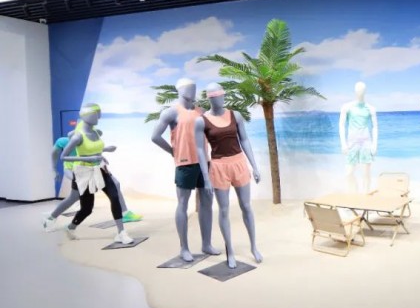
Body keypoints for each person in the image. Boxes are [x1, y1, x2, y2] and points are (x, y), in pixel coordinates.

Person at [151, 78, 218, 262]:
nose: (192, 91)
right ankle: (184, 248)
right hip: (184, 163)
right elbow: (155, 136)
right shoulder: (171, 112)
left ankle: (206, 244)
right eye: (188, 88)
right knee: (183, 204)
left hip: (204, 163)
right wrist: (172, 151)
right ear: (179, 90)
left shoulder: (201, 112)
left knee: (207, 203)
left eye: (194, 88)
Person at [195, 83, 262, 269]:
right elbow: (200, 149)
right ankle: (230, 251)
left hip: (239, 163)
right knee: (223, 210)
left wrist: (254, 166)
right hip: (218, 167)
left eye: (221, 95)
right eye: (215, 96)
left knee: (246, 206)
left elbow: (244, 139)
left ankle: (254, 247)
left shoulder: (235, 115)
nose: (220, 99)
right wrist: (206, 177)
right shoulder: (201, 121)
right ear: (210, 98)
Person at [59, 103, 132, 244]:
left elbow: (93, 148)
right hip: (84, 172)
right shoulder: (77, 137)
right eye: (96, 114)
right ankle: (71, 227)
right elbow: (64, 156)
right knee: (87, 208)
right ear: (87, 116)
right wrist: (89, 159)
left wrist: (104, 151)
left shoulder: (96, 132)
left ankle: (121, 232)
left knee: (114, 196)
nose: (99, 117)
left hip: (100, 169)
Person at [43, 133, 142, 232]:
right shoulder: (63, 142)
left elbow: (91, 151)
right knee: (74, 197)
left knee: (115, 184)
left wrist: (102, 155)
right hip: (75, 169)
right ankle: (52, 218)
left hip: (92, 167)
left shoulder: (85, 141)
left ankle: (124, 213)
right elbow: (55, 154)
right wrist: (54, 169)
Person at [339, 81, 378, 193]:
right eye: (358, 89)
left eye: (362, 89)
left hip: (366, 143)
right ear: (355, 91)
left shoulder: (370, 108)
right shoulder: (347, 107)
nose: (360, 91)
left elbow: (375, 126)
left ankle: (365, 195)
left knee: (366, 173)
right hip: (352, 143)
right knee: (349, 173)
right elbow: (341, 125)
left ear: (365, 91)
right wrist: (343, 143)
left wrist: (374, 144)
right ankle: (354, 192)